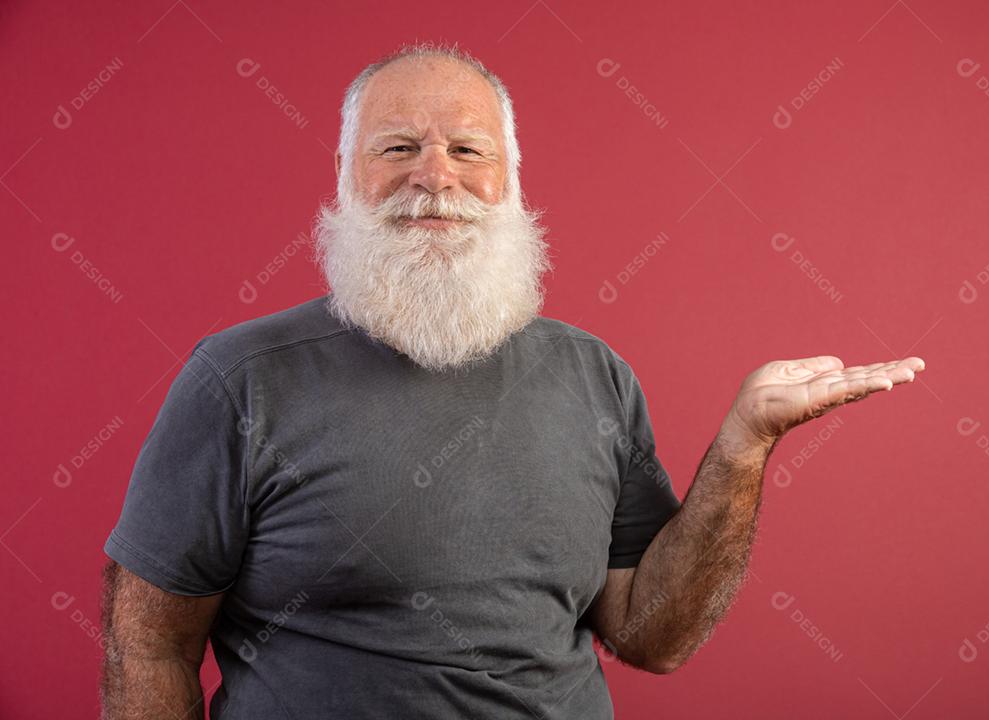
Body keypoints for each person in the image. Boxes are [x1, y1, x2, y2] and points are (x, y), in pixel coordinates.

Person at [99, 42, 926, 719]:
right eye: (397, 148)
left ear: (511, 182)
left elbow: (651, 636)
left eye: (467, 150)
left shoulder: (593, 374)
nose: (435, 176)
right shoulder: (240, 381)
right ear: (347, 175)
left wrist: (743, 447)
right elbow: (150, 645)